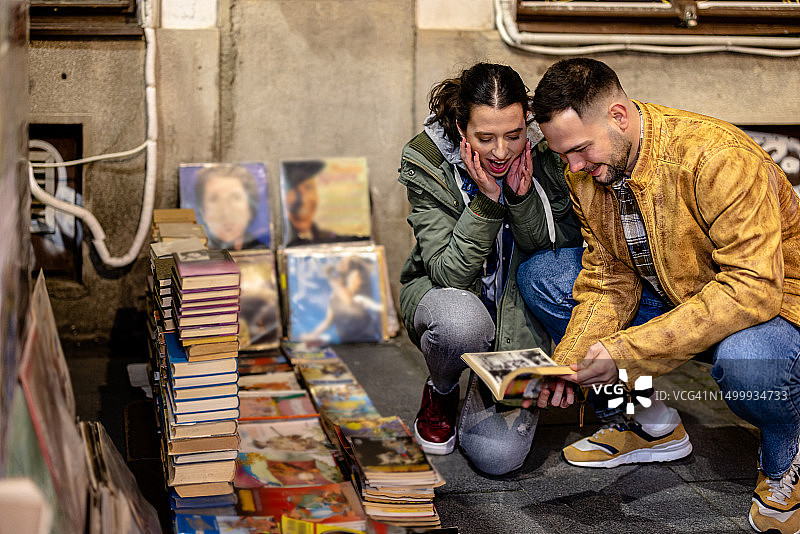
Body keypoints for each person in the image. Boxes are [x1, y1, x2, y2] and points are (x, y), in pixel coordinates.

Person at [518, 58, 800, 533]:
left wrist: (624, 353)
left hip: (773, 307)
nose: (574, 166)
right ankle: (646, 423)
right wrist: (569, 366)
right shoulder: (587, 168)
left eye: (581, 149)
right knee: (544, 276)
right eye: (563, 154)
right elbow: (609, 278)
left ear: (619, 116)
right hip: (675, 295)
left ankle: (784, 460)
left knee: (750, 360)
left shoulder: (717, 157)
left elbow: (752, 288)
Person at [398, 62, 583, 475]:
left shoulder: (549, 151)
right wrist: (485, 203)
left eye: (513, 135)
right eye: (485, 137)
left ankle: (488, 384)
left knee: (498, 459)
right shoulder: (428, 159)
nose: (501, 151)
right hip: (452, 300)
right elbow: (449, 275)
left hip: (519, 317)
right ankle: (443, 388)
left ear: (527, 123)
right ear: (461, 129)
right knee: (460, 323)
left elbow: (555, 258)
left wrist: (520, 199)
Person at [302, 255, 384, 344]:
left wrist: (331, 277)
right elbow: (327, 321)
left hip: (365, 339)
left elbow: (348, 299)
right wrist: (313, 335)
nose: (360, 282)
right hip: (345, 341)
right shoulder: (335, 298)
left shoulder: (359, 299)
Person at [282, 160, 364, 247]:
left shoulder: (330, 237)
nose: (303, 200)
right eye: (294, 190)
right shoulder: (284, 238)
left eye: (309, 188)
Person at [194, 164, 263, 250]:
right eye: (214, 199)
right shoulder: (193, 255)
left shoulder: (262, 253)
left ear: (250, 209)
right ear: (202, 212)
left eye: (235, 198)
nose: (226, 213)